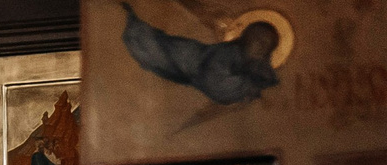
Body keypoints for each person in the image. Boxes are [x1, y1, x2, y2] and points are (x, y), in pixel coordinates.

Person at [120, 1, 280, 105]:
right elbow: (212, 77)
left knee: (161, 53)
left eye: (265, 44)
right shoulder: (229, 54)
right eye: (256, 39)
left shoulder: (260, 72)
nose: (259, 46)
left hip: (192, 67)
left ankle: (133, 20)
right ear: (245, 38)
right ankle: (131, 18)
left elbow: (221, 87)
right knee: (161, 48)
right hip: (192, 58)